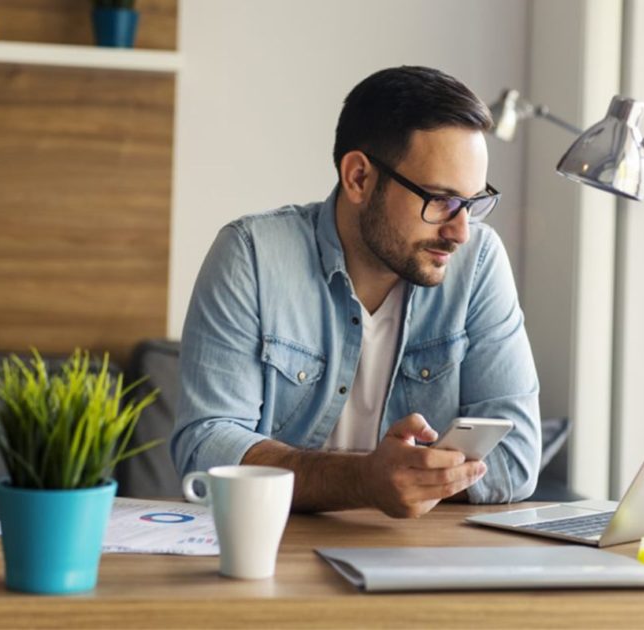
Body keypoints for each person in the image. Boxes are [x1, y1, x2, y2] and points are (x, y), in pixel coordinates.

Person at [171, 66, 540, 518]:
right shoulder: (252, 255)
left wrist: (404, 482)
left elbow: (518, 457)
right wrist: (365, 481)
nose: (461, 231)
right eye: (440, 200)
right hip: (274, 552)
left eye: (473, 202)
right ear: (359, 178)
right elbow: (205, 446)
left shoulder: (478, 263)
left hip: (421, 557)